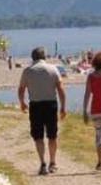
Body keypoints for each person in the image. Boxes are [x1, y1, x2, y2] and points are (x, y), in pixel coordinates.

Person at [18, 47, 65, 175]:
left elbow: (21, 89)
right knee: (52, 135)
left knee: (38, 136)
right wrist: (63, 107)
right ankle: (53, 162)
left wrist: (22, 102)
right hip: (50, 105)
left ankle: (43, 163)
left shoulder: (28, 71)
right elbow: (60, 89)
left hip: (36, 105)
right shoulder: (53, 69)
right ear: (44, 57)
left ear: (32, 58)